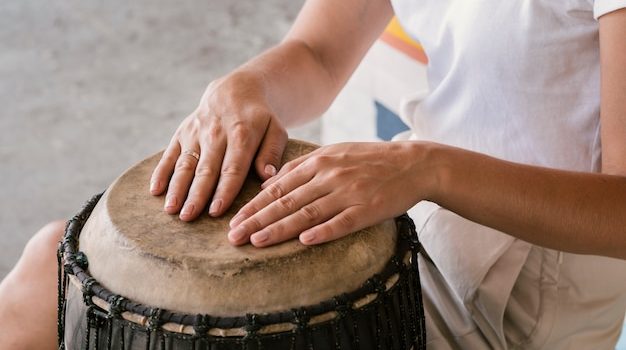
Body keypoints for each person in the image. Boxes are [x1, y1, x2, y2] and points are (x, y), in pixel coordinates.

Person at [1, 0, 625, 349]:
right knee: (49, 269)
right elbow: (317, 54)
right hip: (412, 216)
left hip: (518, 298)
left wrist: (424, 166)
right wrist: (245, 87)